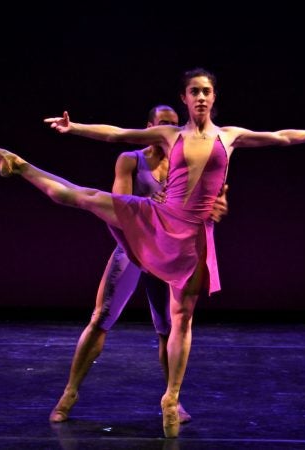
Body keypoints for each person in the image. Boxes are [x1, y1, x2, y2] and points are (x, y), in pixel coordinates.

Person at [0, 67, 305, 438]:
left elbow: (281, 137)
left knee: (180, 320)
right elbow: (117, 134)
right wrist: (73, 127)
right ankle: (20, 165)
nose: (201, 97)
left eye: (206, 91)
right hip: (155, 219)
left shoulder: (230, 136)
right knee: (84, 197)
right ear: (185, 97)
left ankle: (171, 398)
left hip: (191, 238)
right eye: (194, 91)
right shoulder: (167, 135)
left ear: (214, 96)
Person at [48, 104, 229, 424]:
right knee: (101, 317)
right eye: (163, 124)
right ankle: (69, 392)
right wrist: (151, 207)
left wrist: (216, 207)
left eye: (174, 124)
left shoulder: (186, 162)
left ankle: (173, 399)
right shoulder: (131, 160)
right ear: (150, 127)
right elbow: (122, 206)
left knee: (168, 328)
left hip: (169, 252)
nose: (170, 130)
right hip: (133, 248)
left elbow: (209, 202)